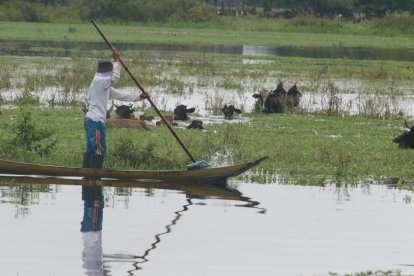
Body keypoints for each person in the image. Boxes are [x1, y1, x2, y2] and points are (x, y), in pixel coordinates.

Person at [83, 49, 147, 169]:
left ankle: (89, 175)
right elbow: (115, 78)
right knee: (97, 150)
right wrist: (117, 61)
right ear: (108, 72)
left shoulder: (103, 86)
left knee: (94, 148)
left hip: (96, 121)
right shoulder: (99, 81)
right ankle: (92, 175)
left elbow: (122, 95)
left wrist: (140, 97)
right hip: (95, 121)